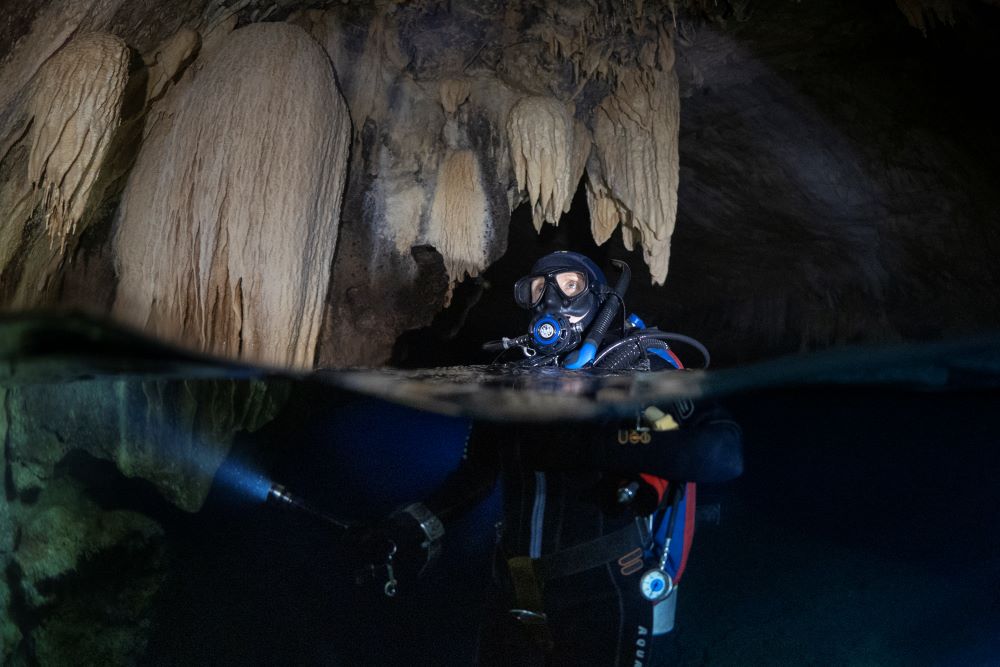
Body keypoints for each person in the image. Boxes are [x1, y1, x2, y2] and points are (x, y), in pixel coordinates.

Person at [353, 251, 743, 666]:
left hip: (604, 590)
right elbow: (479, 473)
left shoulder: (643, 364)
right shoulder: (513, 377)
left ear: (599, 299)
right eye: (539, 289)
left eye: (570, 285)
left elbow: (722, 455)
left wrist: (593, 448)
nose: (551, 300)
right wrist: (411, 526)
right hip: (510, 594)